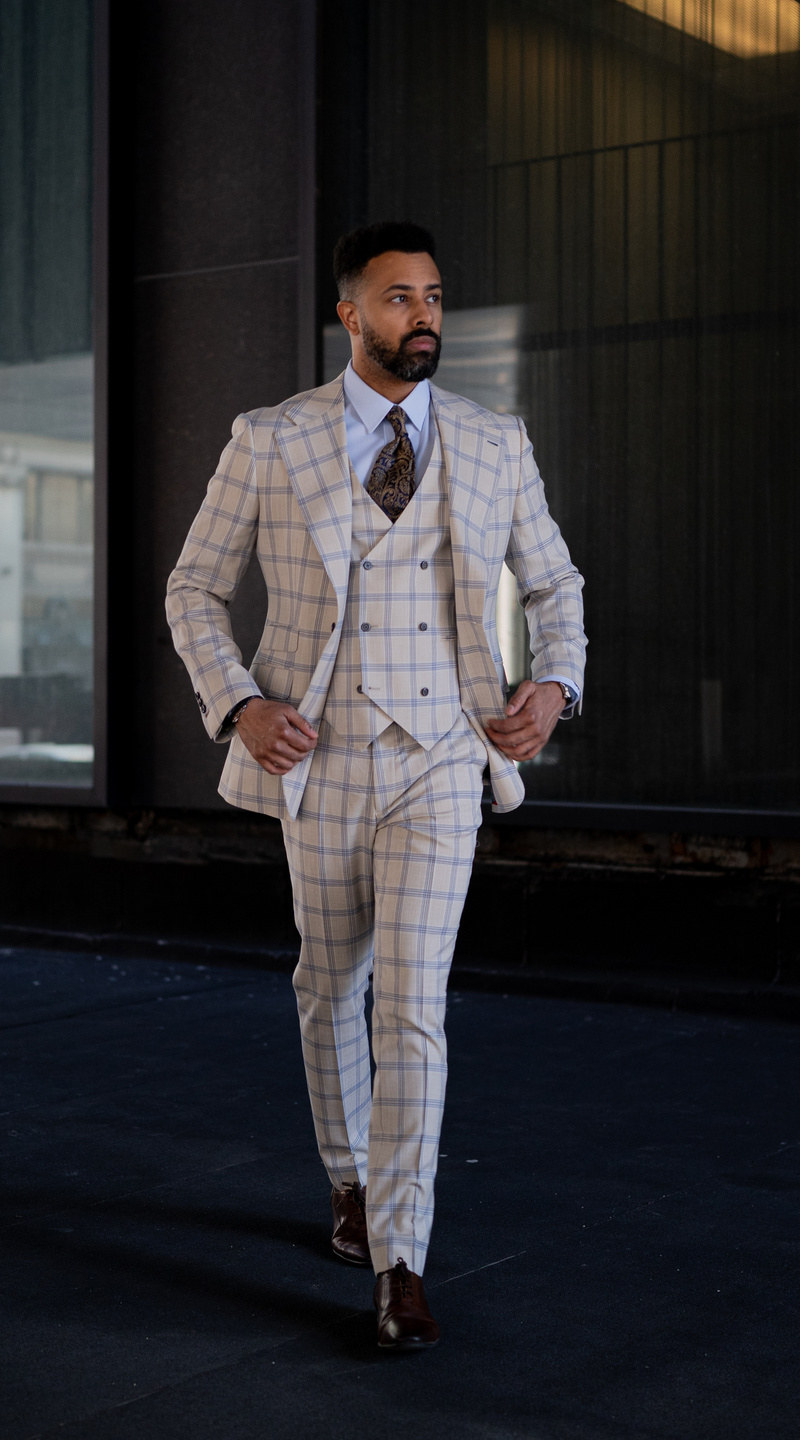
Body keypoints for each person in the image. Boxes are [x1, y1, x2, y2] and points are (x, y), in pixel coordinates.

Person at [166, 221, 586, 1351]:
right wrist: (240, 703)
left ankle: (400, 1257)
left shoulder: (495, 444)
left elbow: (553, 582)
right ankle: (345, 1176)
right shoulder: (272, 438)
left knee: (411, 1006)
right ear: (350, 315)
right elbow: (193, 589)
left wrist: (552, 684)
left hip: (446, 756)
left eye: (434, 296)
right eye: (398, 298)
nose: (423, 316)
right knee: (326, 984)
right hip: (320, 759)